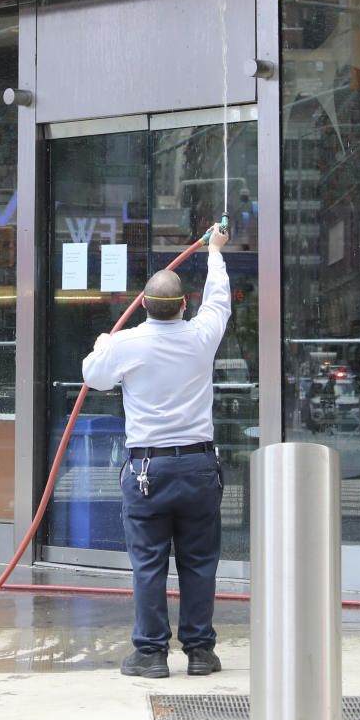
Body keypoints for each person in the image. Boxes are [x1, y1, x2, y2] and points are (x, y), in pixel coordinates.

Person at [82, 220, 231, 680]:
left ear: (144, 306)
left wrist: (103, 344)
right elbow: (219, 301)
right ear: (183, 305)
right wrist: (216, 251)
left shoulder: (127, 343)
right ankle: (200, 653)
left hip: (148, 470)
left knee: (148, 564)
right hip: (199, 466)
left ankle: (150, 655)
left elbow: (93, 376)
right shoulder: (201, 335)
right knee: (199, 562)